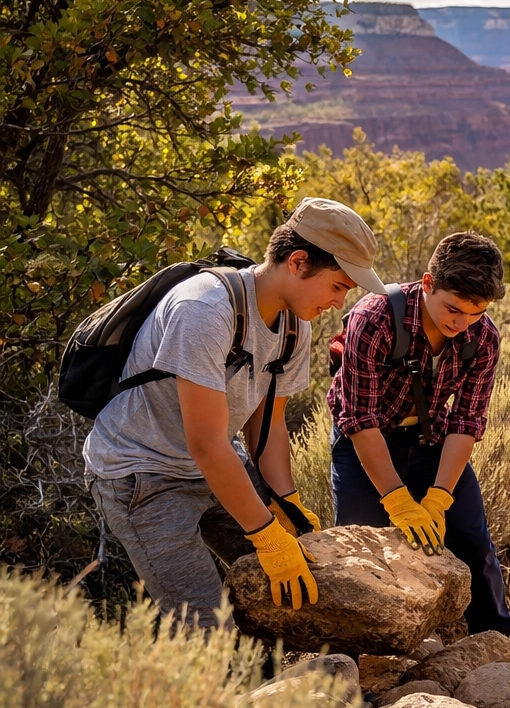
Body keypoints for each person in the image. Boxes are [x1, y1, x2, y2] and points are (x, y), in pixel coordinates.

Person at [84, 198, 387, 627]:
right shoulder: (204, 311)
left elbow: (267, 428)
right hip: (142, 476)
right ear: (299, 263)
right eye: (338, 286)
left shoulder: (294, 324)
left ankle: (273, 689)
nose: (339, 303)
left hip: (217, 466)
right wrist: (266, 535)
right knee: (208, 626)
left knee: (278, 592)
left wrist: (287, 503)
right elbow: (206, 443)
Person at [328, 231, 510, 635]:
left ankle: (497, 641)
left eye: (476, 312)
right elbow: (360, 420)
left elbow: (466, 422)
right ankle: (351, 657)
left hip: (432, 440)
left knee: (473, 540)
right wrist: (397, 500)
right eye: (453, 309)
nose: (462, 323)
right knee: (362, 546)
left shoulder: (483, 337)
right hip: (366, 441)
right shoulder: (373, 318)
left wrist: (440, 497)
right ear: (428, 283)